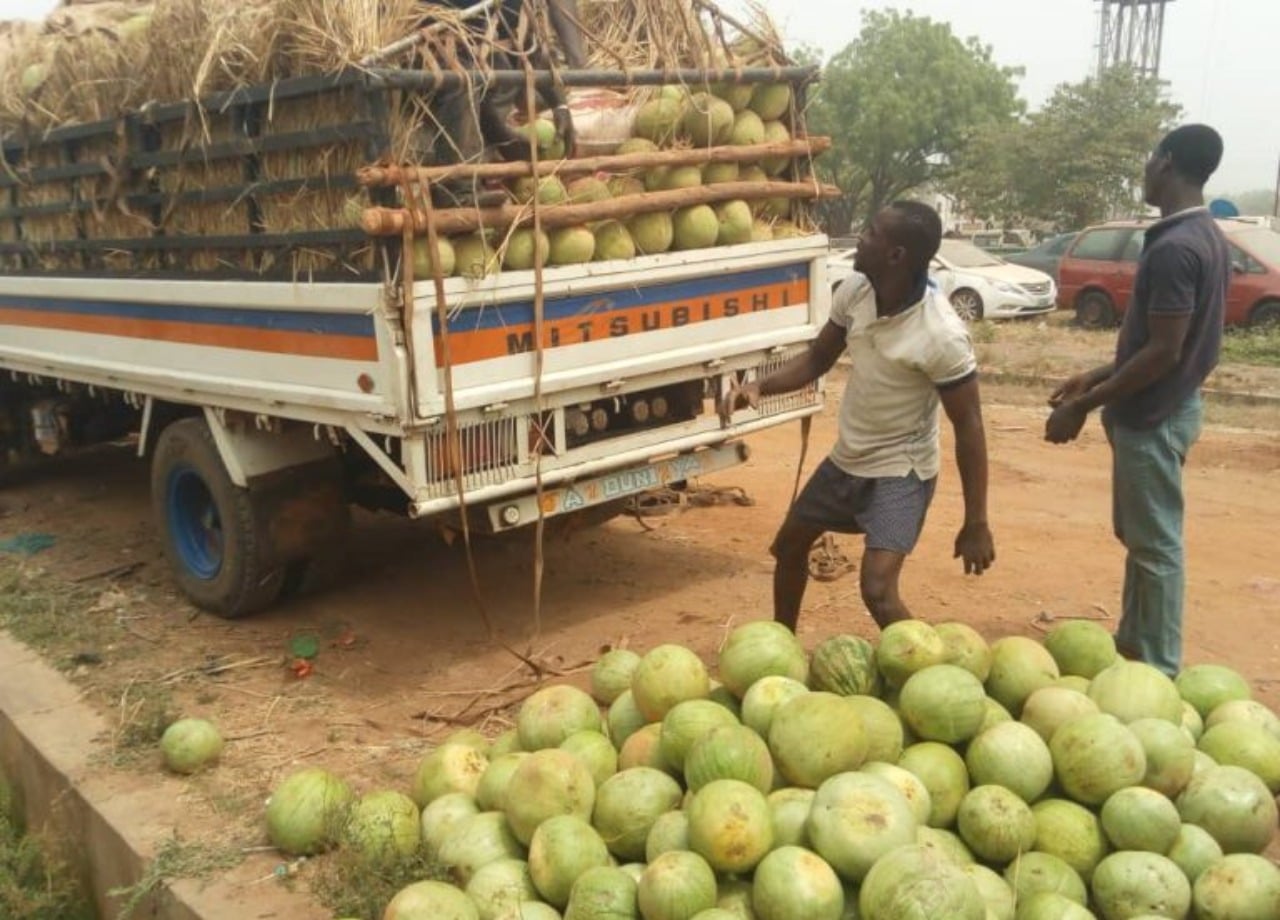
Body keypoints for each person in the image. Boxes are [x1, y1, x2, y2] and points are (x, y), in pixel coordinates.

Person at [719, 201, 995, 631]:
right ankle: (782, 644)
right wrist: (758, 386)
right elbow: (817, 359)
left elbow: (970, 426)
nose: (860, 238)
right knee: (790, 548)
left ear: (896, 255)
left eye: (870, 232)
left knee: (878, 590)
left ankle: (924, 670)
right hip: (848, 460)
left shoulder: (940, 335)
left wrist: (976, 521)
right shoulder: (856, 292)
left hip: (901, 471)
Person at [1045, 124, 1228, 677]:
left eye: (1151, 158)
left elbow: (1164, 353)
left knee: (1157, 547)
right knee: (1142, 539)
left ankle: (1160, 668)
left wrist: (1085, 404)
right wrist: (1092, 377)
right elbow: (1158, 346)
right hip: (1164, 407)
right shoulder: (1203, 235)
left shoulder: (1176, 248)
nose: (1145, 169)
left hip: (1156, 415)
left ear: (1167, 163)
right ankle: (1135, 642)